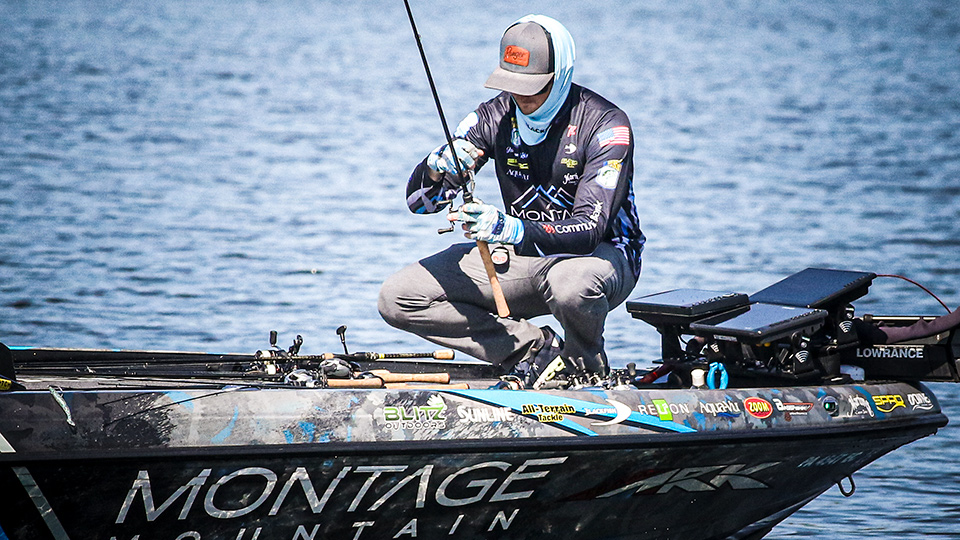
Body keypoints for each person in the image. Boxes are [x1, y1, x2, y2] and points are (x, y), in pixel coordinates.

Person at [378, 14, 645, 388]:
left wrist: (508, 227)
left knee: (570, 283)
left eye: (533, 87)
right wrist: (436, 167)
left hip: (601, 256)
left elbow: (590, 230)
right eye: (513, 84)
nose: (522, 97)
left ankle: (584, 368)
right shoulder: (493, 116)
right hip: (524, 255)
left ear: (560, 75)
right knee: (398, 297)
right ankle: (535, 352)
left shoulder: (606, 125)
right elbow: (421, 204)